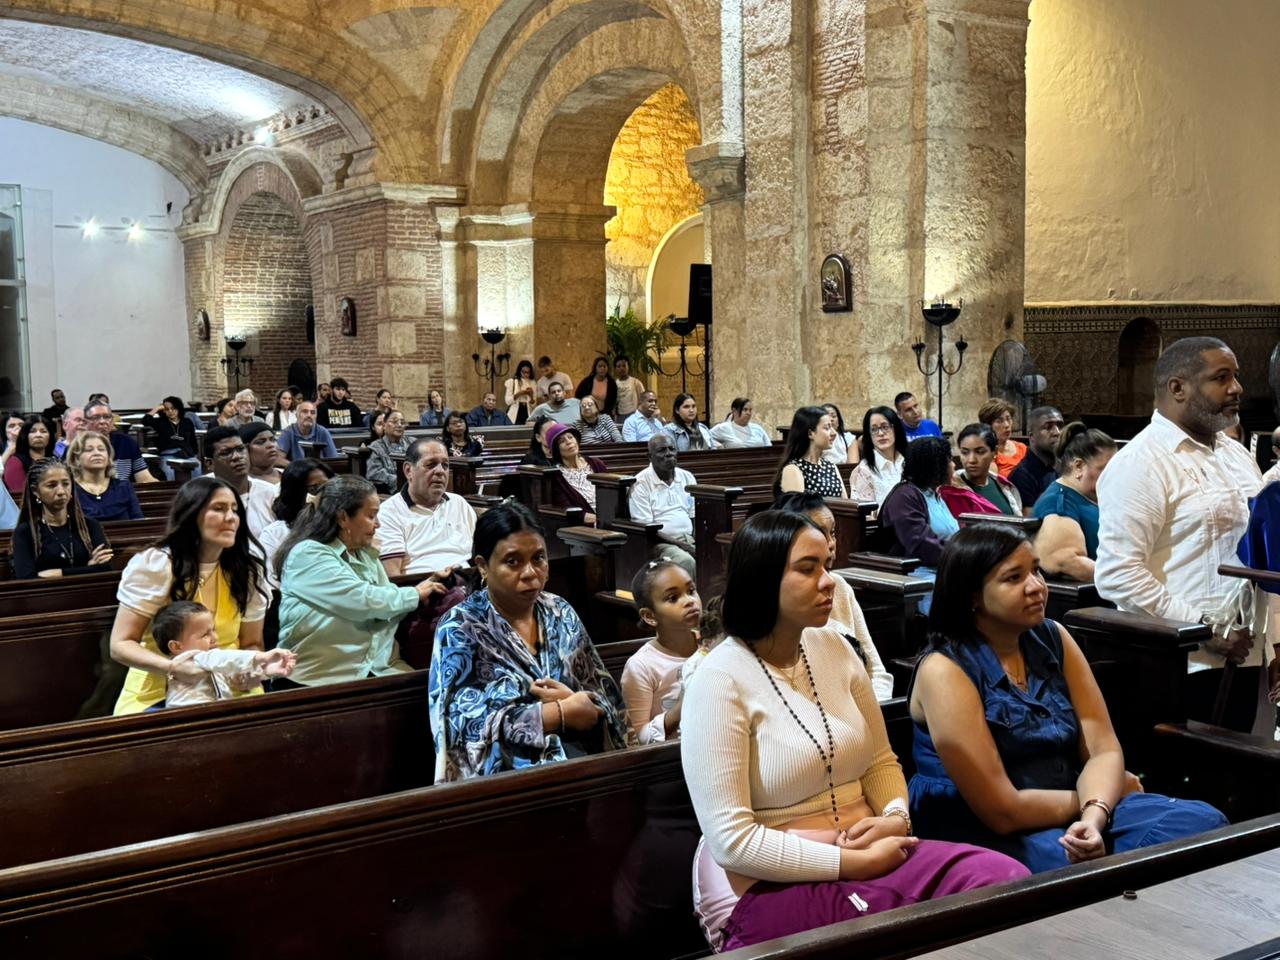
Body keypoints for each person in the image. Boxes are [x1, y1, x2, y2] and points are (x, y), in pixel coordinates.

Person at [681, 510, 1028, 950]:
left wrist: (895, 818)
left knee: (1003, 881)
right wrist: (848, 862)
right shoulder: (718, 680)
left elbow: (880, 761)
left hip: (872, 849)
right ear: (762, 580)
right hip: (764, 879)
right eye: (808, 569)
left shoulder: (837, 650)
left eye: (827, 564)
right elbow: (732, 842)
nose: (829, 581)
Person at [907, 524, 1228, 872]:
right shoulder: (945, 669)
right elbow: (1002, 811)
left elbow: (1103, 748)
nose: (1036, 587)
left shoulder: (1052, 637)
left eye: (1036, 570)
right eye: (1014, 578)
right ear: (971, 595)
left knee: (1202, 823)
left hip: (1071, 803)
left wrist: (1093, 817)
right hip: (980, 826)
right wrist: (1105, 794)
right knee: (1075, 869)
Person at [1096, 336, 1266, 730]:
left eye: (1235, 377)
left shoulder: (1234, 454)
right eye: (1221, 378)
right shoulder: (1141, 463)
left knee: (1248, 782)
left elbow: (1261, 554)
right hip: (1181, 661)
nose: (1237, 388)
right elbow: (1118, 574)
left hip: (1247, 654)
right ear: (1178, 388)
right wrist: (1205, 628)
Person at [429, 501, 629, 781]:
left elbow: (606, 698)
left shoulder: (561, 612)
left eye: (538, 558)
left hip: (581, 766)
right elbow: (461, 728)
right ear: (483, 566)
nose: (530, 572)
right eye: (513, 561)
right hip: (505, 785)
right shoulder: (460, 626)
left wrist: (579, 702)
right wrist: (558, 713)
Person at [109, 476, 269, 714]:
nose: (231, 518)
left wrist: (250, 671)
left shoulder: (246, 571)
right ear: (192, 515)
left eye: (235, 510)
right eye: (219, 508)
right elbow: (120, 644)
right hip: (160, 688)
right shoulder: (158, 565)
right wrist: (173, 667)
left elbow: (252, 643)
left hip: (231, 688)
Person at [274, 476, 434, 686]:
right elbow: (363, 601)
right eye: (371, 516)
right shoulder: (307, 554)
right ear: (343, 518)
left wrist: (434, 590)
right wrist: (415, 593)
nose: (378, 524)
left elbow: (387, 608)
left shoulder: (364, 554)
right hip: (319, 679)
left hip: (379, 670)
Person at [774, 492, 894, 701]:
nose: (830, 543)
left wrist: (873, 710)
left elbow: (876, 671)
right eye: (820, 533)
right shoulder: (783, 598)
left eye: (833, 533)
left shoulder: (839, 586)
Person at [154, 600, 296, 707]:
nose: (215, 637)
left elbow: (235, 673)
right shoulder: (186, 660)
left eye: (213, 630)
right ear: (176, 646)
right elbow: (223, 659)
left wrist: (266, 671)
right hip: (190, 721)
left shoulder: (210, 664)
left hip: (214, 715)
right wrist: (261, 657)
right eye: (205, 634)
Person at [621, 560, 702, 743]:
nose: (689, 601)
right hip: (668, 762)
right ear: (650, 616)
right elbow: (636, 740)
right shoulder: (641, 666)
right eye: (673, 598)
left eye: (691, 591)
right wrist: (680, 710)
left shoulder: (712, 646)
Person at [378, 438, 477, 576]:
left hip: (467, 583)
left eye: (445, 465)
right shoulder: (389, 512)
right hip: (420, 589)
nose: (440, 471)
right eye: (431, 465)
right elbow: (393, 578)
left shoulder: (459, 503)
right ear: (408, 471)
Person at [879, 437, 959, 605]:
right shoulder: (905, 496)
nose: (953, 466)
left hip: (947, 568)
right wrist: (961, 557)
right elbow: (921, 544)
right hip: (916, 573)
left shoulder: (935, 495)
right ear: (934, 466)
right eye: (949, 461)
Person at [1034, 423, 1117, 582]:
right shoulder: (1059, 504)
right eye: (1106, 469)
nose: (1114, 476)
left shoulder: (1095, 496)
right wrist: (1129, 580)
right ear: (1078, 466)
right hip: (1096, 601)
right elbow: (1065, 561)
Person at [11, 460, 113, 579]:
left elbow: (105, 568)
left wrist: (58, 573)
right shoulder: (25, 532)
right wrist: (88, 568)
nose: (61, 491)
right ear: (35, 491)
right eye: (51, 485)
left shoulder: (90, 526)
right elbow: (26, 578)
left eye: (65, 484)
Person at [259, 458, 334, 589]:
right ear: (295, 494)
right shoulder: (275, 534)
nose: (322, 494)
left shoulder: (342, 526)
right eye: (314, 488)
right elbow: (271, 583)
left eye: (326, 486)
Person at [631, 433, 698, 575]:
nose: (669, 454)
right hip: (660, 543)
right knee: (686, 561)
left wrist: (701, 542)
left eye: (672, 449)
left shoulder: (687, 476)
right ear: (649, 457)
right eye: (662, 450)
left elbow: (694, 515)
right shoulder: (640, 483)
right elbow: (648, 530)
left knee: (720, 554)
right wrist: (683, 546)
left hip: (688, 537)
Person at [204, 424, 277, 537]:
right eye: (226, 453)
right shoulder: (199, 494)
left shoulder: (271, 493)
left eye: (240, 449)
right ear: (210, 463)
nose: (237, 457)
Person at [940, 423, 1022, 519]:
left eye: (980, 452)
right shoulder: (950, 491)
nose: (971, 460)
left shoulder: (1004, 485)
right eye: (965, 452)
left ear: (995, 452)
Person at [68, 430, 144, 522]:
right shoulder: (70, 490)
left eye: (101, 449)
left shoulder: (124, 487)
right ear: (76, 459)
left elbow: (139, 522)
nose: (97, 453)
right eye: (89, 450)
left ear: (109, 457)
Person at [774, 406, 846, 499]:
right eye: (827, 428)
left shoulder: (831, 467)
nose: (834, 433)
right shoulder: (793, 469)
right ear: (810, 433)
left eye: (832, 427)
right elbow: (798, 510)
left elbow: (846, 505)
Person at [84, 401, 158, 484]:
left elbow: (144, 477)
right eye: (96, 417)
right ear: (86, 422)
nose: (102, 421)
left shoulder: (126, 442)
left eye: (106, 417)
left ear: (112, 421)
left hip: (122, 493)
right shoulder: (78, 446)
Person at [546, 422, 606, 522]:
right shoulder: (556, 476)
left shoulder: (597, 464)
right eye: (562, 441)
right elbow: (569, 510)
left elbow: (611, 493)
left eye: (570, 437)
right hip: (584, 526)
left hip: (609, 516)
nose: (569, 442)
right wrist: (600, 520)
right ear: (556, 450)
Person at [1008, 406, 1065, 512]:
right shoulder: (1021, 475)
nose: (1057, 432)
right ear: (1032, 436)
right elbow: (1031, 522)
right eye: (1048, 427)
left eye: (1060, 426)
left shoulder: (1064, 464)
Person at [850, 406, 907, 506]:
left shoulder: (908, 461)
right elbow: (866, 516)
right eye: (874, 429)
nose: (880, 433)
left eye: (885, 427)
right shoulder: (863, 472)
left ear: (895, 428)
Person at [143, 396, 200, 478]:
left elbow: (193, 441)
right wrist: (157, 408)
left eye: (173, 408)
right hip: (168, 454)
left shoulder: (187, 422)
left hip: (186, 454)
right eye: (167, 409)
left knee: (197, 466)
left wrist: (193, 454)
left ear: (179, 408)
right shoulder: (161, 422)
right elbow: (145, 420)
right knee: (170, 471)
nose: (170, 411)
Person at [4, 413, 56, 494]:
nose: (38, 435)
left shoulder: (55, 460)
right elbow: (18, 496)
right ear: (25, 435)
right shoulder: (15, 462)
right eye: (33, 431)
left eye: (43, 431)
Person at [978, 398, 1026, 478]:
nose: (1007, 425)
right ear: (988, 425)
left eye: (1008, 418)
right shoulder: (987, 453)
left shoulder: (1022, 448)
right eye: (999, 421)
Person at [363, 410, 409, 492]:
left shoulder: (412, 443)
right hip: (391, 492)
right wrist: (402, 481)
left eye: (402, 422)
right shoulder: (376, 447)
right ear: (384, 425)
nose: (399, 425)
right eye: (394, 421)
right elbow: (374, 474)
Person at [613, 354, 647, 419]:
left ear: (628, 367)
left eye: (624, 365)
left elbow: (644, 399)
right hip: (620, 416)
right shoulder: (614, 384)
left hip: (634, 415)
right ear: (615, 369)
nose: (621, 368)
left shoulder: (636, 382)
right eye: (619, 366)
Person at [504, 360, 538, 425]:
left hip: (527, 411)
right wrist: (520, 393)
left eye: (528, 372)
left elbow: (534, 405)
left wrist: (531, 395)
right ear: (519, 371)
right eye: (524, 372)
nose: (526, 374)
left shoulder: (533, 383)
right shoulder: (512, 382)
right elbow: (508, 401)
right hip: (515, 412)